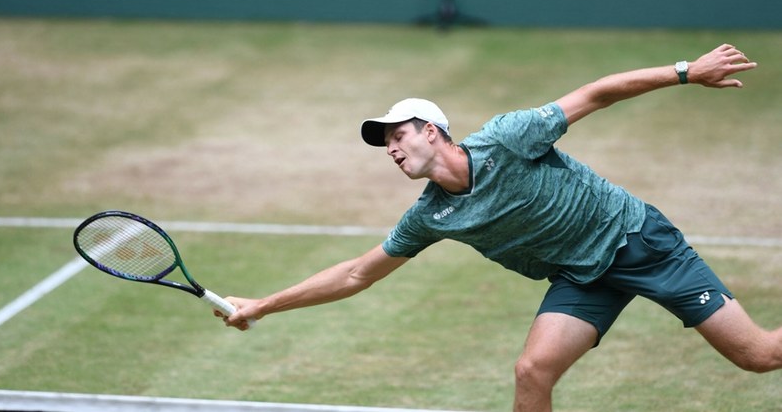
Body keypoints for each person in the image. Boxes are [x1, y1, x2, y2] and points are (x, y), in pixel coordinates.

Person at [216, 44, 781, 411]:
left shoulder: (508, 137)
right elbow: (357, 274)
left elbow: (596, 93)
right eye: (384, 143)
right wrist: (263, 304)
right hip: (581, 276)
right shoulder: (432, 215)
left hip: (638, 243)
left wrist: (687, 72)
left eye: (397, 135)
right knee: (532, 371)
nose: (390, 149)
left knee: (757, 355)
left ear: (432, 131)